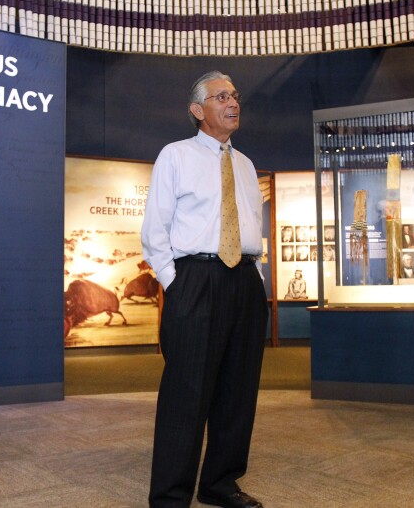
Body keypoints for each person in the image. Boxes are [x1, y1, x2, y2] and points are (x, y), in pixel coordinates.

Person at [141, 71, 268, 508]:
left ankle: (221, 482)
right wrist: (176, 284)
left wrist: (256, 277)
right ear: (197, 110)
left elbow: (252, 227)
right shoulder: (174, 156)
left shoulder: (247, 166)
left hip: (245, 281)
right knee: (186, 391)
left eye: (235, 94)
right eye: (221, 96)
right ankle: (172, 495)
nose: (233, 102)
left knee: (238, 389)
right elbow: (155, 229)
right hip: (195, 279)